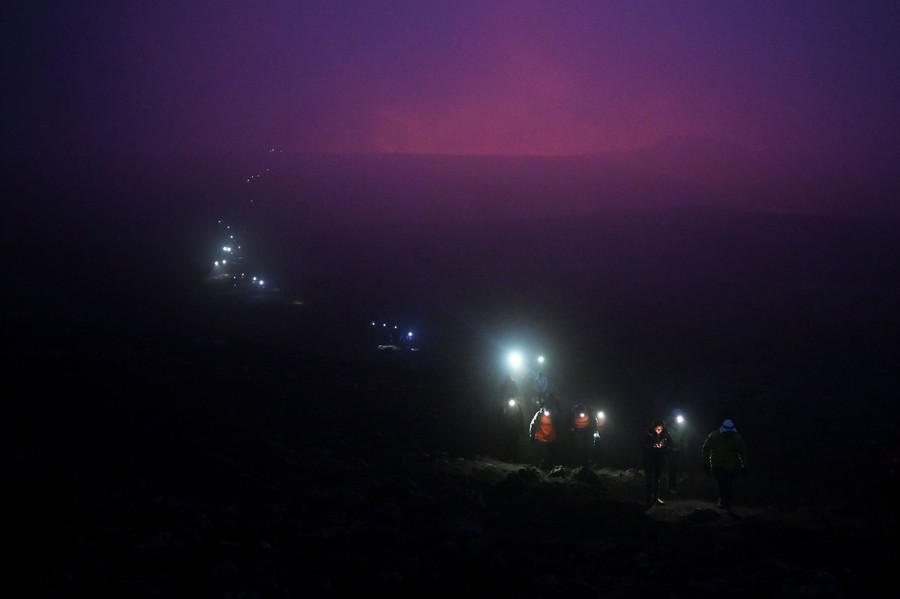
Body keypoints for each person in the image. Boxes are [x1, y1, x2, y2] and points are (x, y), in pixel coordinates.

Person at [701, 418, 749, 510]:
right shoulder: (715, 436)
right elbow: (706, 449)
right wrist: (706, 463)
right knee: (722, 481)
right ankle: (723, 499)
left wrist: (745, 467)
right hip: (717, 464)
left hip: (730, 465)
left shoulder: (736, 438)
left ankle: (725, 499)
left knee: (728, 482)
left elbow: (742, 453)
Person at [641, 419, 671, 508]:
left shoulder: (665, 435)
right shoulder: (648, 435)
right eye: (657, 428)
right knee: (649, 481)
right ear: (653, 427)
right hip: (649, 460)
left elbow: (669, 446)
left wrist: (664, 448)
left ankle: (656, 498)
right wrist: (652, 447)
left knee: (657, 480)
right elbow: (643, 447)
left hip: (659, 461)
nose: (659, 430)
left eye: (661, 428)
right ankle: (648, 500)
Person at [529, 394, 561, 471]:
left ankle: (545, 468)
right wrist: (532, 435)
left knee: (551, 456)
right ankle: (545, 468)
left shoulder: (555, 415)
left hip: (551, 439)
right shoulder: (539, 414)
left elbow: (558, 425)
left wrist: (559, 436)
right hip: (540, 438)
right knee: (545, 455)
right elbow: (533, 424)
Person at [496, 397, 526, 463]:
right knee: (507, 443)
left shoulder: (517, 407)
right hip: (507, 428)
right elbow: (500, 418)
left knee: (515, 444)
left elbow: (521, 418)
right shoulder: (504, 407)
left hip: (514, 429)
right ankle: (508, 458)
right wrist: (499, 428)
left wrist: (522, 429)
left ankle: (515, 458)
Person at [666, 408, 688, 494]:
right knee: (670, 468)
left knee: (675, 468)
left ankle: (673, 486)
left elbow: (684, 437)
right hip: (669, 450)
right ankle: (671, 487)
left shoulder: (682, 424)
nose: (677, 418)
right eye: (675, 417)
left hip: (678, 449)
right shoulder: (667, 425)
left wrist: (685, 449)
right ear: (672, 417)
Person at [568, 403, 596, 467]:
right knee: (580, 447)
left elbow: (593, 420)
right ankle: (581, 461)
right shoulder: (573, 414)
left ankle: (589, 460)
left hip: (587, 431)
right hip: (578, 432)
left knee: (590, 446)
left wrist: (594, 428)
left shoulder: (588, 413)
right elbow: (569, 422)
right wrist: (571, 429)